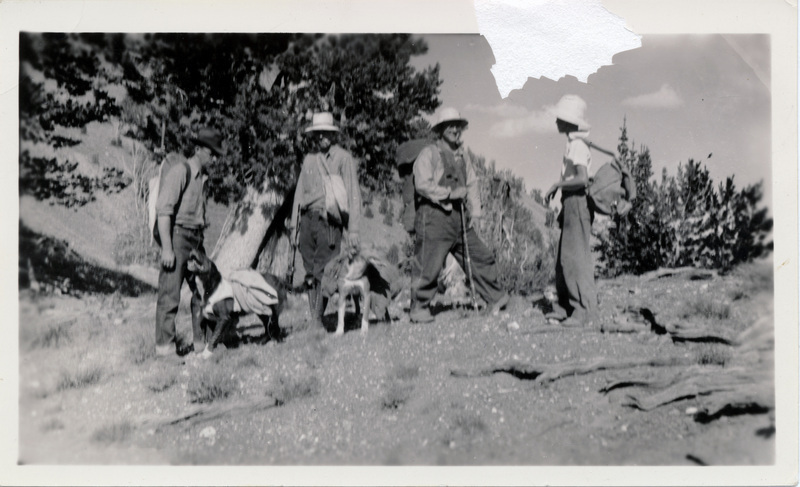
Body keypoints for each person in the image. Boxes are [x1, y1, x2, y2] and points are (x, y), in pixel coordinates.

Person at [409, 107, 509, 323]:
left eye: (458, 126)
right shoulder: (429, 154)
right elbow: (422, 185)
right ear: (441, 129)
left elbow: (472, 183)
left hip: (460, 219)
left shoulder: (463, 156)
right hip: (434, 218)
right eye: (450, 125)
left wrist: (477, 212)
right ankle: (419, 308)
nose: (455, 130)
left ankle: (496, 297)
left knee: (481, 257)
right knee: (428, 265)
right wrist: (449, 193)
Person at [154, 127, 224, 358]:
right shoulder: (180, 172)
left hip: (195, 239)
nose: (214, 158)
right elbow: (164, 211)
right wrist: (167, 248)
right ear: (198, 150)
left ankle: (200, 344)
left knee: (202, 292)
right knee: (170, 294)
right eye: (211, 153)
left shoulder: (202, 179)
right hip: (176, 237)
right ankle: (165, 350)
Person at [289, 112, 362, 328]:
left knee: (324, 269)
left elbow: (353, 194)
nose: (322, 137)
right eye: (318, 133)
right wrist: (294, 225)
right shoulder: (309, 160)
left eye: (326, 133)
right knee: (310, 271)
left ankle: (316, 319)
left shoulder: (343, 158)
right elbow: (299, 195)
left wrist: (354, 230)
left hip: (329, 222)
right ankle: (315, 317)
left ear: (333, 135)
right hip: (307, 222)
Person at [544, 95, 598, 327]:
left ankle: (582, 310)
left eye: (560, 117)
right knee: (564, 257)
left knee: (575, 258)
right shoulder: (573, 143)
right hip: (571, 202)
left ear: (569, 122)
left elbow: (582, 178)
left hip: (576, 202)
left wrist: (558, 185)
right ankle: (567, 306)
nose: (557, 121)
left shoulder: (576, 145)